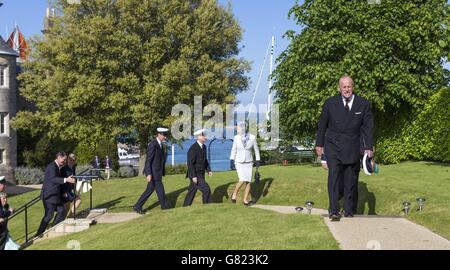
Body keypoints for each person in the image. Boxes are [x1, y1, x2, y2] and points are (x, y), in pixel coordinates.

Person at [316, 75, 374, 221]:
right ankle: (334, 210)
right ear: (339, 88)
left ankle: (349, 210)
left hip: (353, 146)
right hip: (333, 146)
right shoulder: (330, 103)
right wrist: (319, 144)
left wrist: (368, 147)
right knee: (334, 177)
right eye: (344, 87)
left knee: (350, 180)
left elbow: (368, 128)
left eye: (349, 86)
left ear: (352, 87)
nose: (347, 89)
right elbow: (322, 124)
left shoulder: (363, 103)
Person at [35, 152, 76, 237]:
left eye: (65, 160)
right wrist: (66, 180)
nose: (64, 161)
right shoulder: (52, 166)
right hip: (49, 196)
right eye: (63, 160)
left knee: (62, 211)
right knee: (48, 216)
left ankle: (53, 228)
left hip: (55, 196)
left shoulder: (57, 166)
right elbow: (53, 179)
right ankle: (39, 234)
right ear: (58, 157)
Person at [133, 127, 169, 214]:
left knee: (151, 190)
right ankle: (164, 207)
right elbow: (148, 160)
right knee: (160, 190)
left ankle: (137, 206)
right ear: (159, 135)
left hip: (157, 173)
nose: (165, 137)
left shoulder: (160, 144)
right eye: (164, 135)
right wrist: (148, 173)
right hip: (153, 173)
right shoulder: (153, 144)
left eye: (165, 135)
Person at [230, 122, 260, 206]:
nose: (237, 129)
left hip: (249, 162)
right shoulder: (236, 138)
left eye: (238, 128)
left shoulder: (252, 137)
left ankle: (245, 199)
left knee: (248, 181)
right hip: (239, 162)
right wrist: (232, 159)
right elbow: (234, 149)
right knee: (242, 179)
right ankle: (234, 193)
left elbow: (256, 150)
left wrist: (258, 160)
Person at [183, 129, 213, 207]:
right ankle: (207, 206)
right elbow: (190, 164)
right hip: (195, 174)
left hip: (201, 173)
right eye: (204, 136)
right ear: (199, 137)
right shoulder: (193, 149)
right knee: (206, 189)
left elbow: (204, 160)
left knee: (192, 191)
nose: (205, 137)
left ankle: (185, 207)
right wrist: (193, 176)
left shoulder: (204, 147)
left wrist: (208, 170)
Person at [61, 153, 81, 218]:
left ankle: (63, 219)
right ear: (67, 160)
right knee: (78, 200)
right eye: (70, 159)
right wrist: (63, 192)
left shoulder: (73, 168)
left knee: (67, 208)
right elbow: (61, 181)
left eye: (73, 159)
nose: (72, 161)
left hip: (69, 190)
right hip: (65, 192)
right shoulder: (64, 169)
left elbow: (74, 180)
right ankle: (69, 216)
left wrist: (75, 188)